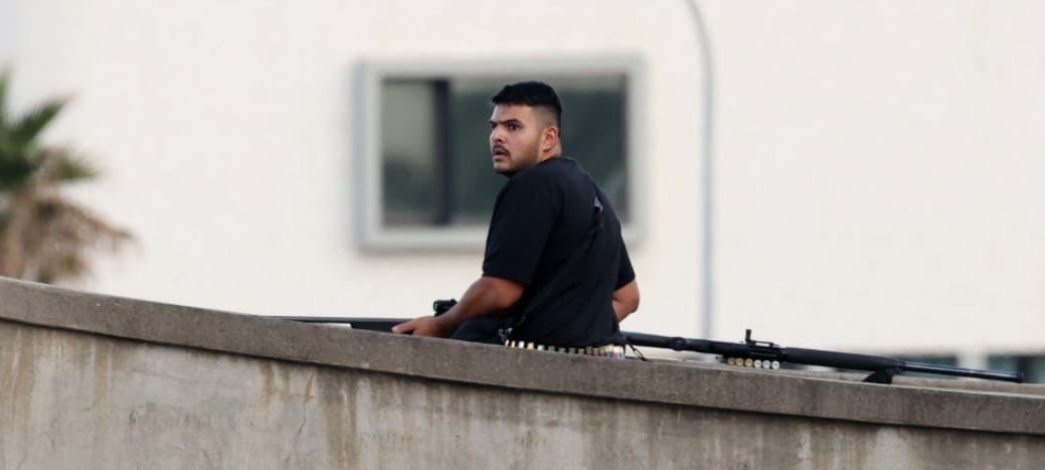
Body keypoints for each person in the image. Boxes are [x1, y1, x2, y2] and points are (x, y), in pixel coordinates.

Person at [392, 81, 639, 355]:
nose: (497, 136)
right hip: (607, 366)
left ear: (548, 137)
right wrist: (578, 334)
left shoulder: (533, 185)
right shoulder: (593, 193)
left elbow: (500, 290)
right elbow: (627, 298)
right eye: (493, 126)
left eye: (513, 127)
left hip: (543, 376)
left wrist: (442, 325)